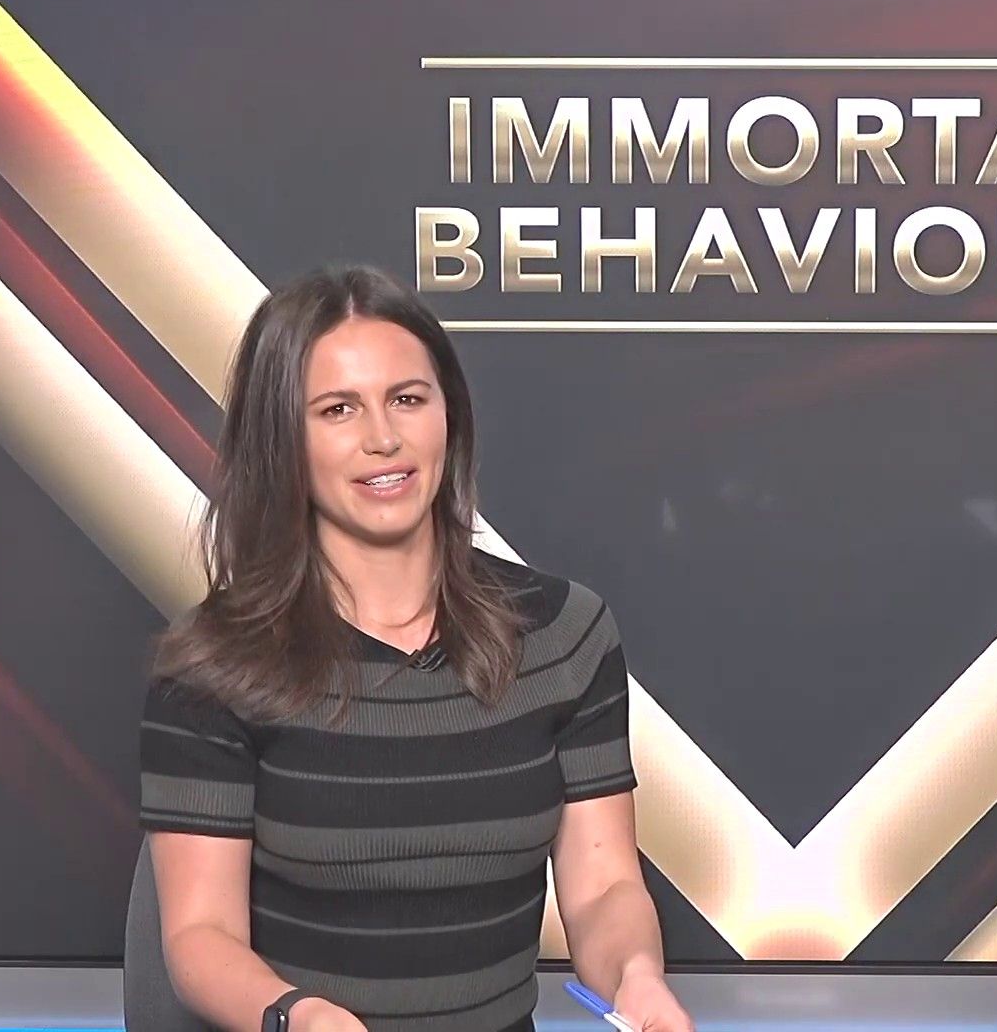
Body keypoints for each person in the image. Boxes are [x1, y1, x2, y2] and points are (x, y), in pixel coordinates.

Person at [138, 266, 693, 1032]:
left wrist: (636, 979)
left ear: (448, 417)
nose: (383, 438)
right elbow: (202, 936)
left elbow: (603, 888)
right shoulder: (213, 667)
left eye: (407, 398)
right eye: (338, 409)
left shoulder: (565, 635)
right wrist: (299, 1017)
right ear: (282, 440)